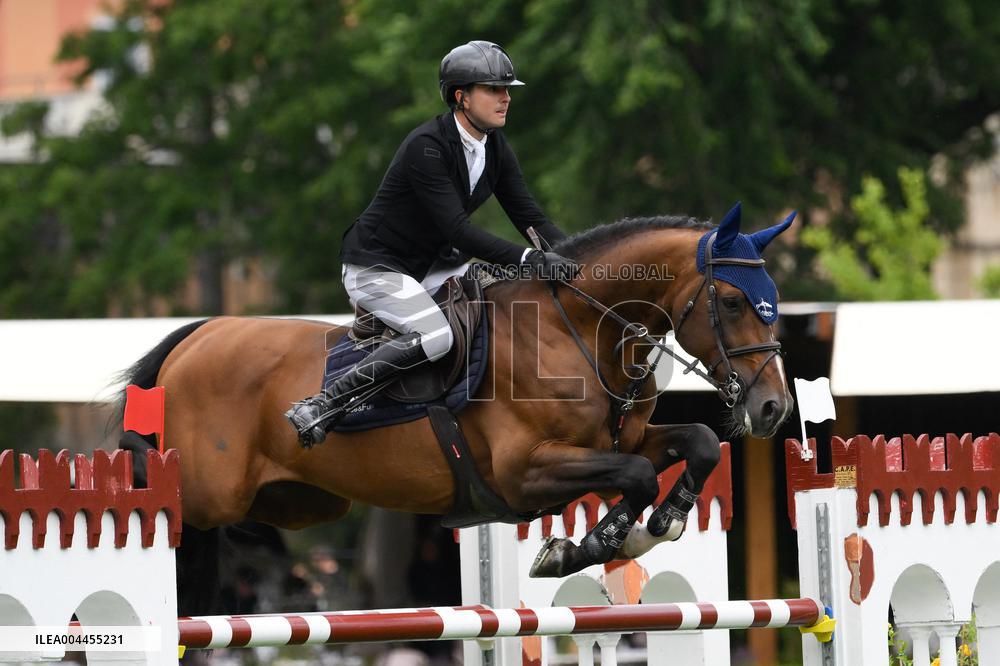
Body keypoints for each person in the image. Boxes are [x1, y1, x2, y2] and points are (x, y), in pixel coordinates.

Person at [286, 40, 576, 447]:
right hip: (377, 266)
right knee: (436, 337)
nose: (506, 97)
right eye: (494, 89)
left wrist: (578, 258)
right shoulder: (427, 147)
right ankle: (324, 403)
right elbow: (458, 230)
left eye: (506, 89)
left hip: (432, 265)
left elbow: (531, 219)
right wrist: (530, 258)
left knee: (505, 303)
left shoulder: (495, 148)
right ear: (462, 97)